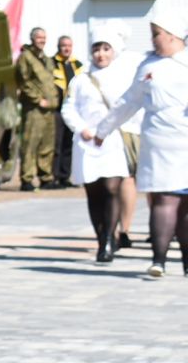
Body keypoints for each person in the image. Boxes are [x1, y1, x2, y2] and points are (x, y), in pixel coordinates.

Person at [89, 4, 188, 278]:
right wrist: (103, 129)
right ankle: (159, 260)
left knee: (183, 203)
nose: (153, 39)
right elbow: (128, 102)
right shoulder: (147, 65)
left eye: (156, 33)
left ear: (172, 35)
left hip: (185, 140)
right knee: (164, 199)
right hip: (158, 140)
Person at [61, 29, 138, 263]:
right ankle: (101, 236)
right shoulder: (80, 79)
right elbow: (68, 108)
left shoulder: (123, 77)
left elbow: (129, 107)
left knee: (112, 188)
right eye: (96, 49)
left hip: (111, 139)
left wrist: (108, 129)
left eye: (105, 49)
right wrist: (81, 128)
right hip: (87, 142)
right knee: (94, 193)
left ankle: (108, 240)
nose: (100, 54)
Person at [14, 27, 58, 192]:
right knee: (30, 143)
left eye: (44, 37)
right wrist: (38, 100)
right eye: (39, 37)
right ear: (32, 39)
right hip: (34, 109)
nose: (42, 40)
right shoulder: (26, 57)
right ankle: (27, 178)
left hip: (49, 109)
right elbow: (23, 81)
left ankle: (45, 177)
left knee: (47, 144)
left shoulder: (46, 59)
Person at [50, 35, 82, 189]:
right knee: (56, 144)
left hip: (73, 110)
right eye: (63, 45)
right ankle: (54, 177)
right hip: (57, 110)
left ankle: (65, 176)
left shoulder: (78, 65)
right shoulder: (51, 64)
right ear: (58, 46)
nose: (66, 48)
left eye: (69, 45)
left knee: (69, 144)